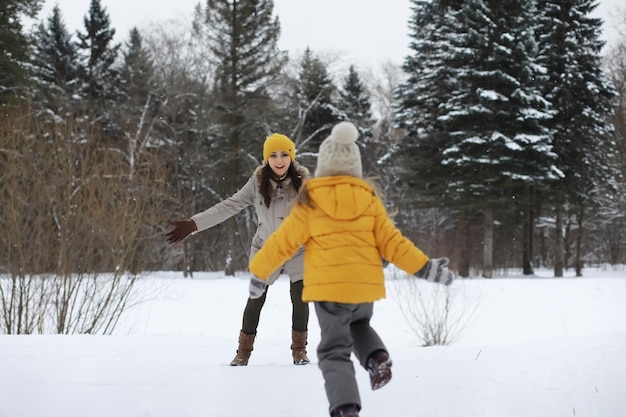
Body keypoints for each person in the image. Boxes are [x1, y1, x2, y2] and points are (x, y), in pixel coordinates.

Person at [248, 121, 455, 417]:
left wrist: (260, 274)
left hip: (329, 290)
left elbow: (282, 243)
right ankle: (376, 356)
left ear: (324, 165)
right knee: (359, 325)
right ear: (355, 166)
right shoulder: (369, 200)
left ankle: (345, 409)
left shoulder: (309, 201)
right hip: (362, 288)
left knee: (334, 351)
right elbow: (393, 243)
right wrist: (425, 268)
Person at [165, 133, 311, 366]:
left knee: (300, 296)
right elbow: (229, 206)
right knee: (255, 299)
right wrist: (195, 224)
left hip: (298, 249)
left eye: (284, 154)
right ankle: (243, 353)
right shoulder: (257, 183)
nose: (279, 160)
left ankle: (299, 352)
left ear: (292, 157)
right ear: (266, 159)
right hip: (267, 249)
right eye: (273, 155)